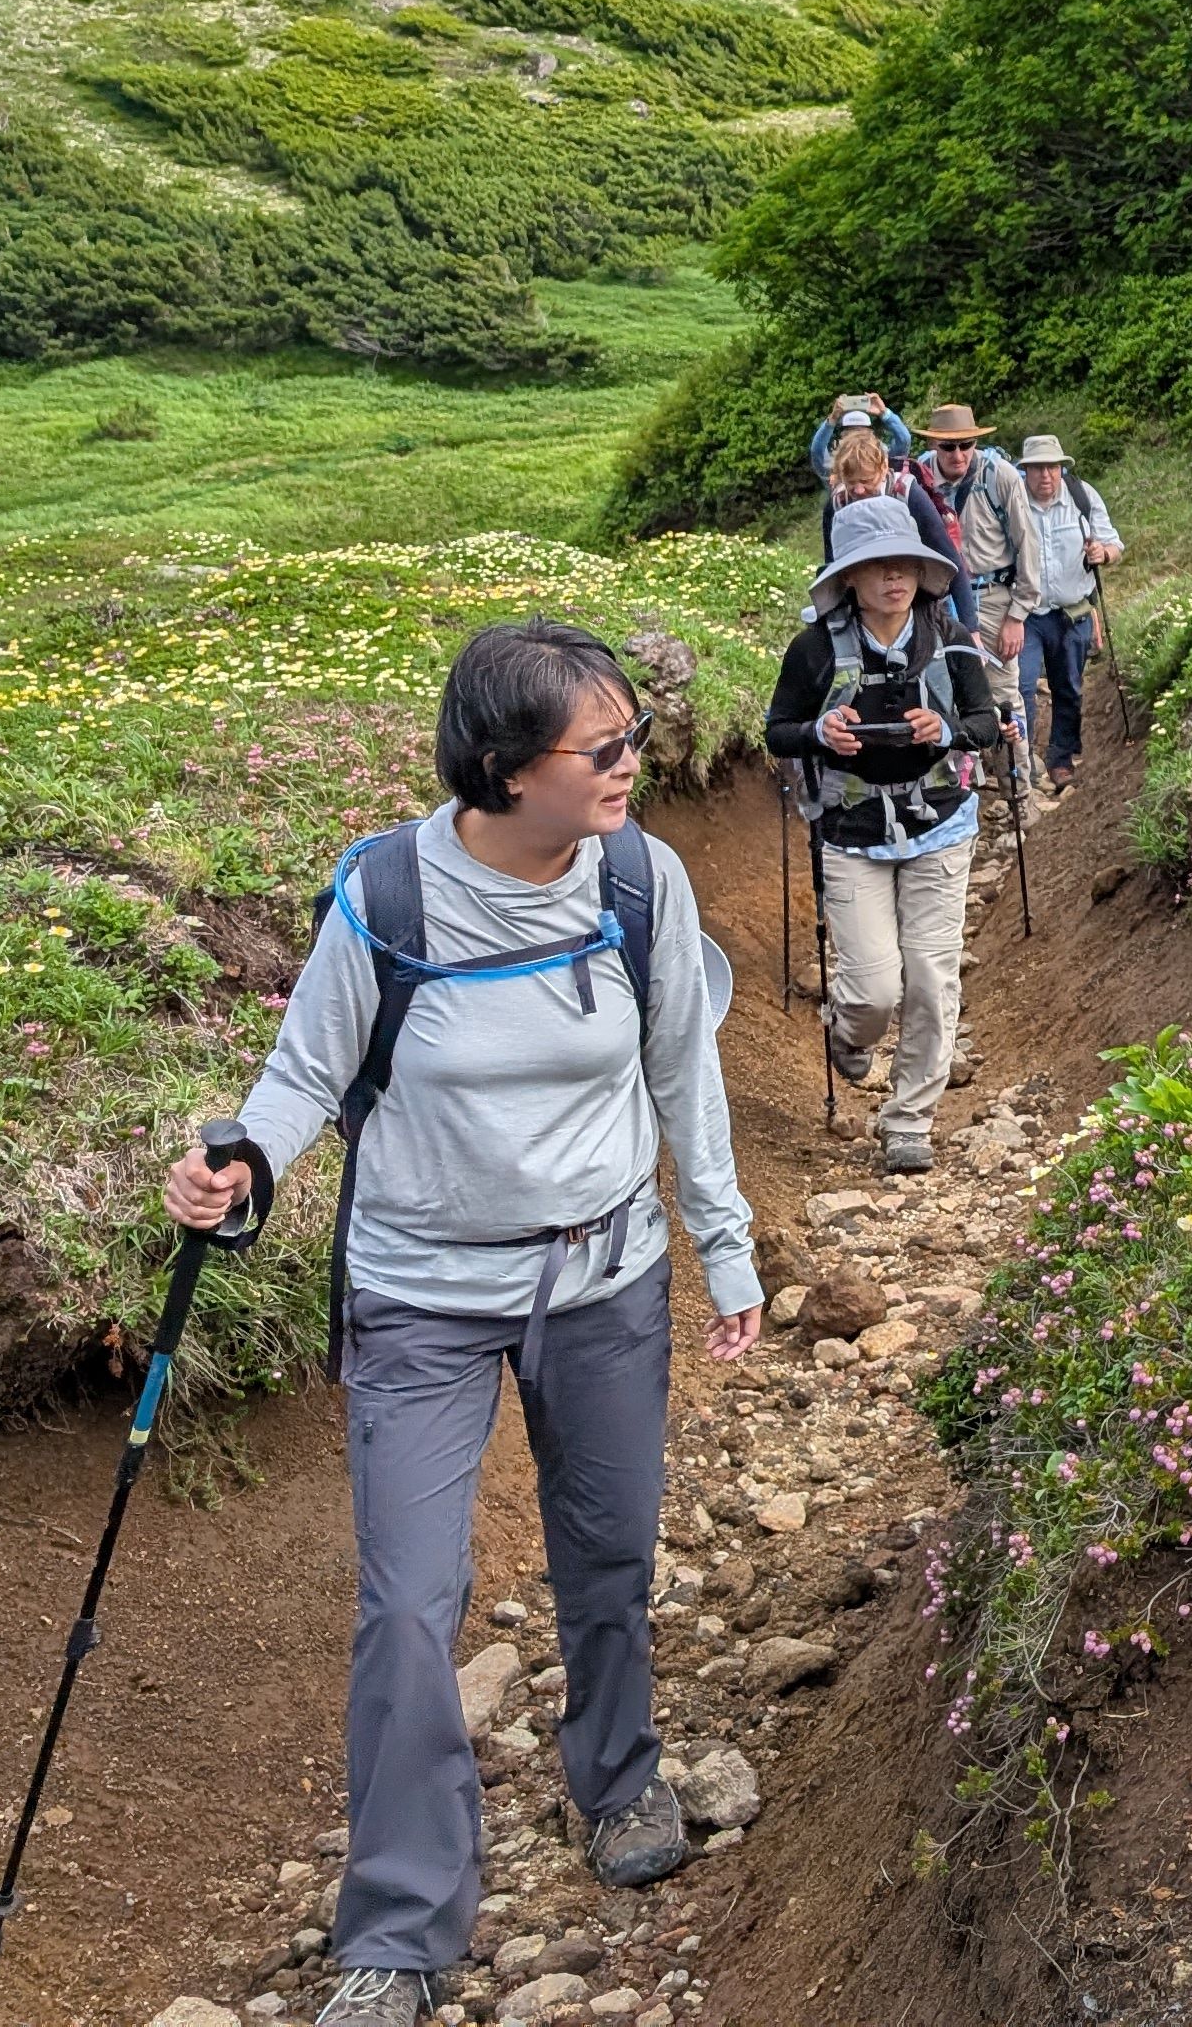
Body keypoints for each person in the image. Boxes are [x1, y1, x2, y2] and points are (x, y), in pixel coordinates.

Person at [159, 622, 761, 2025]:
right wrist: (239, 1163)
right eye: (600, 748)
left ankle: (617, 1784)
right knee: (410, 1604)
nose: (632, 765)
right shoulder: (388, 895)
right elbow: (305, 1073)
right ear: (501, 768)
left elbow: (686, 1074)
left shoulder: (639, 880)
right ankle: (401, 1927)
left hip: (605, 1275)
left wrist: (723, 1251)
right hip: (422, 1292)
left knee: (607, 1555)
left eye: (634, 739)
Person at [766, 494, 999, 1176]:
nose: (894, 578)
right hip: (849, 831)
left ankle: (909, 1123)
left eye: (904, 565)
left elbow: (987, 723)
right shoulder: (813, 649)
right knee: (872, 990)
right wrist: (817, 732)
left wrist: (947, 730)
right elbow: (777, 728)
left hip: (941, 823)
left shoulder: (950, 636)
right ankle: (848, 1035)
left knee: (930, 979)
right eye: (877, 568)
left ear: (921, 573)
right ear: (850, 579)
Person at [913, 404, 1042, 750]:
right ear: (934, 446)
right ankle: (966, 793)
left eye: (967, 444)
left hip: (991, 597)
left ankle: (1019, 790)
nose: (959, 454)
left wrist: (1017, 615)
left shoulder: (999, 476)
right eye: (949, 446)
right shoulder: (917, 479)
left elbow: (1028, 545)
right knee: (943, 694)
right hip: (935, 602)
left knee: (1003, 700)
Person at [1007, 432, 1122, 805]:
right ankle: (1024, 762)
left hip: (1072, 610)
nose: (1046, 475)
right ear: (1025, 470)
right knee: (1021, 687)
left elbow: (1114, 544)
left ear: (1061, 468)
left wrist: (1102, 554)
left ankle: (1061, 758)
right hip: (1024, 611)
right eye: (1037, 468)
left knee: (1068, 687)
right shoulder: (1011, 500)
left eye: (1052, 467)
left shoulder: (1081, 496)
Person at [819, 407, 971, 633]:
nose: (859, 490)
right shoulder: (838, 502)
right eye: (851, 483)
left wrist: (972, 629)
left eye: (866, 480)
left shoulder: (908, 493)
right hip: (866, 600)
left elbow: (950, 557)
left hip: (917, 594)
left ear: (882, 469)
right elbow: (833, 566)